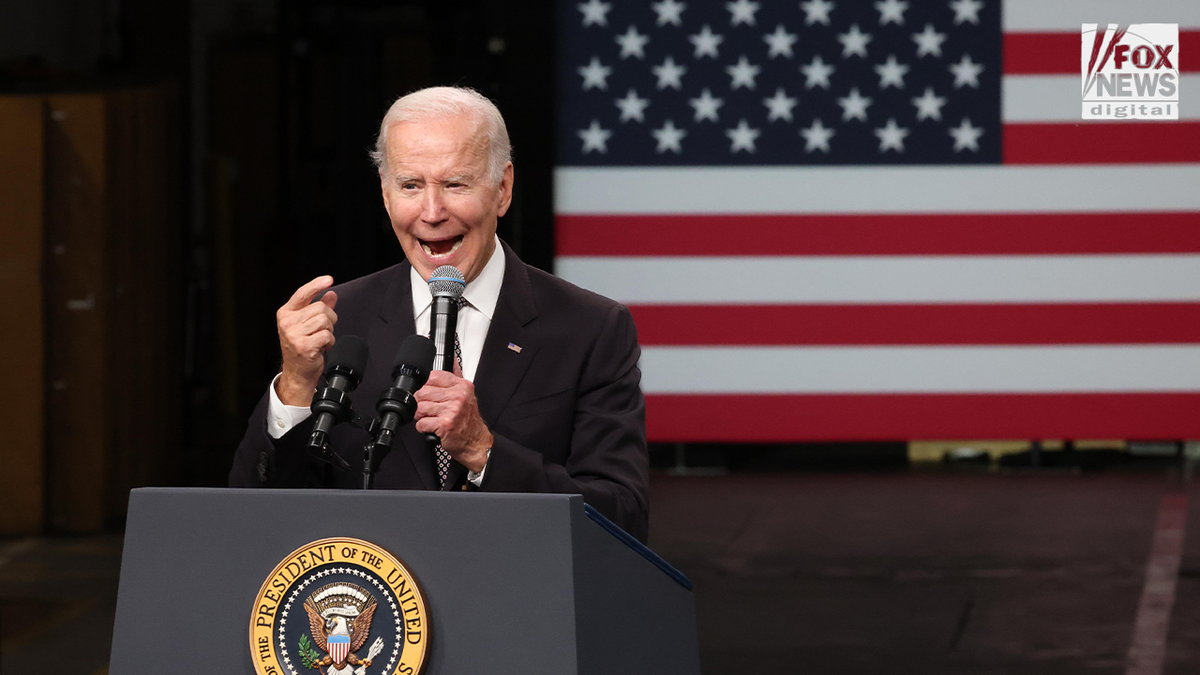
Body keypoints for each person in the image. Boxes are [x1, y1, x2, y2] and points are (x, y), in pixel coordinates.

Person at [228, 86, 649, 541]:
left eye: (455, 184)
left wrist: (483, 450)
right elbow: (256, 518)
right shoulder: (337, 324)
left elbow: (621, 518)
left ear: (503, 189)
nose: (432, 212)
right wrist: (294, 386)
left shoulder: (590, 328)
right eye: (411, 185)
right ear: (386, 195)